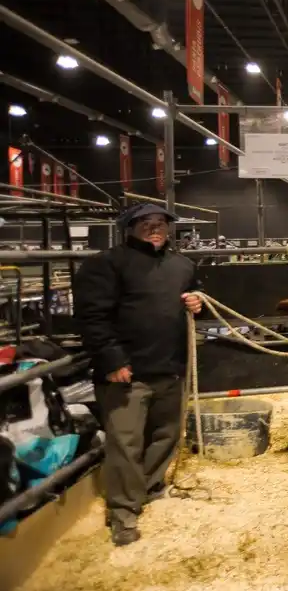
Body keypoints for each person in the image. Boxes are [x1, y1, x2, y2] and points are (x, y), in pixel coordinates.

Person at [73, 203, 203, 546]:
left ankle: (149, 487)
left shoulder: (182, 265)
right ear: (129, 228)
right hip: (127, 373)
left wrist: (198, 304)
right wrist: (112, 360)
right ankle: (124, 512)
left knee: (166, 435)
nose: (155, 228)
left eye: (160, 222)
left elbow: (195, 303)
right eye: (145, 222)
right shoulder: (105, 264)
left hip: (170, 367)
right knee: (125, 443)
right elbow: (92, 317)